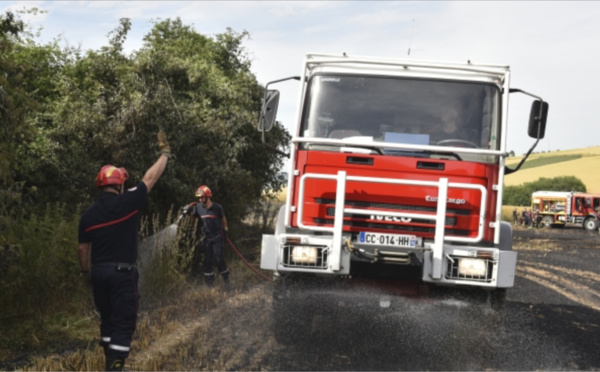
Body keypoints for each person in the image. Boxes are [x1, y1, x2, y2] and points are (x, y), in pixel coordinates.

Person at [77, 131, 171, 371]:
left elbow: (82, 248)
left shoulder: (88, 216)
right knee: (124, 322)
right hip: (122, 275)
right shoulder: (128, 202)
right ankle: (116, 367)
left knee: (107, 319)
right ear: (120, 185)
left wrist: (85, 273)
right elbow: (150, 178)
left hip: (98, 274)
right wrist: (164, 154)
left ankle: (109, 361)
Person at [185, 185, 230, 287]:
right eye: (199, 198)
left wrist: (226, 230)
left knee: (219, 259)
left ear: (207, 197)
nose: (200, 200)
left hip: (217, 236)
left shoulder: (217, 207)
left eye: (202, 197)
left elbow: (223, 220)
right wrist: (188, 213)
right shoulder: (198, 207)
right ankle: (210, 285)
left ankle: (227, 281)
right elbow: (193, 218)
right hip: (205, 237)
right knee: (207, 261)